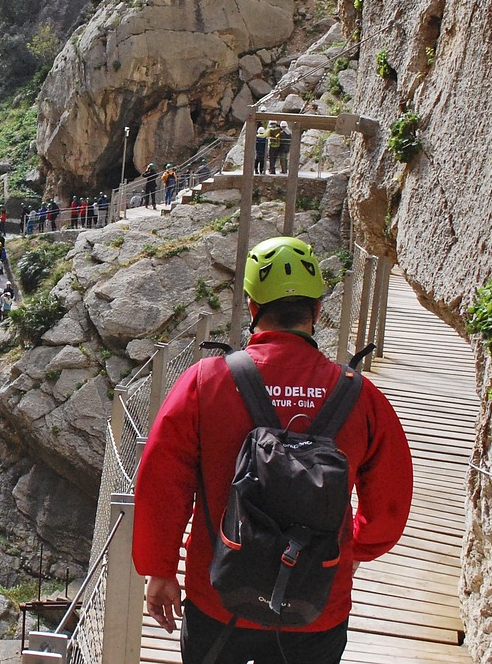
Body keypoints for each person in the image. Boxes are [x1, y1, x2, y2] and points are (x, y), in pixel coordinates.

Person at [133, 236, 413, 664]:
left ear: (251, 308)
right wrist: (353, 550)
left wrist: (161, 568)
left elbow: (161, 484)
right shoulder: (361, 397)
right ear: (317, 311)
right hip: (316, 602)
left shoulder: (204, 382)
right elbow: (391, 500)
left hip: (219, 594)